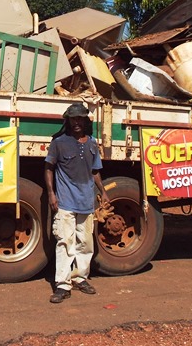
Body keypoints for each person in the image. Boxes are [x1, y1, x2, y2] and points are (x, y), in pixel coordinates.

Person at [44, 102, 110, 304]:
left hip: (86, 202)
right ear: (68, 120)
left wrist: (103, 192)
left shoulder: (91, 143)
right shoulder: (59, 142)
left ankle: (81, 278)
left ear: (85, 120)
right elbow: (49, 168)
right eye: (73, 118)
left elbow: (95, 171)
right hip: (65, 202)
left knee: (86, 243)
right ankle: (63, 285)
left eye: (80, 118)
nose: (77, 122)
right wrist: (51, 194)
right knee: (65, 242)